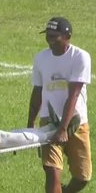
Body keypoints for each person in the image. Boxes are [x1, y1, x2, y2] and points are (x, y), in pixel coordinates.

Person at [27, 17, 92, 193]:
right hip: (49, 121)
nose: (49, 39)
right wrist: (30, 125)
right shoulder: (41, 58)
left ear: (67, 36)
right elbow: (37, 92)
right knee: (52, 172)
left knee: (82, 177)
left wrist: (63, 128)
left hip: (76, 122)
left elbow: (74, 94)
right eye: (47, 35)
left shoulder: (80, 57)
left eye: (54, 36)